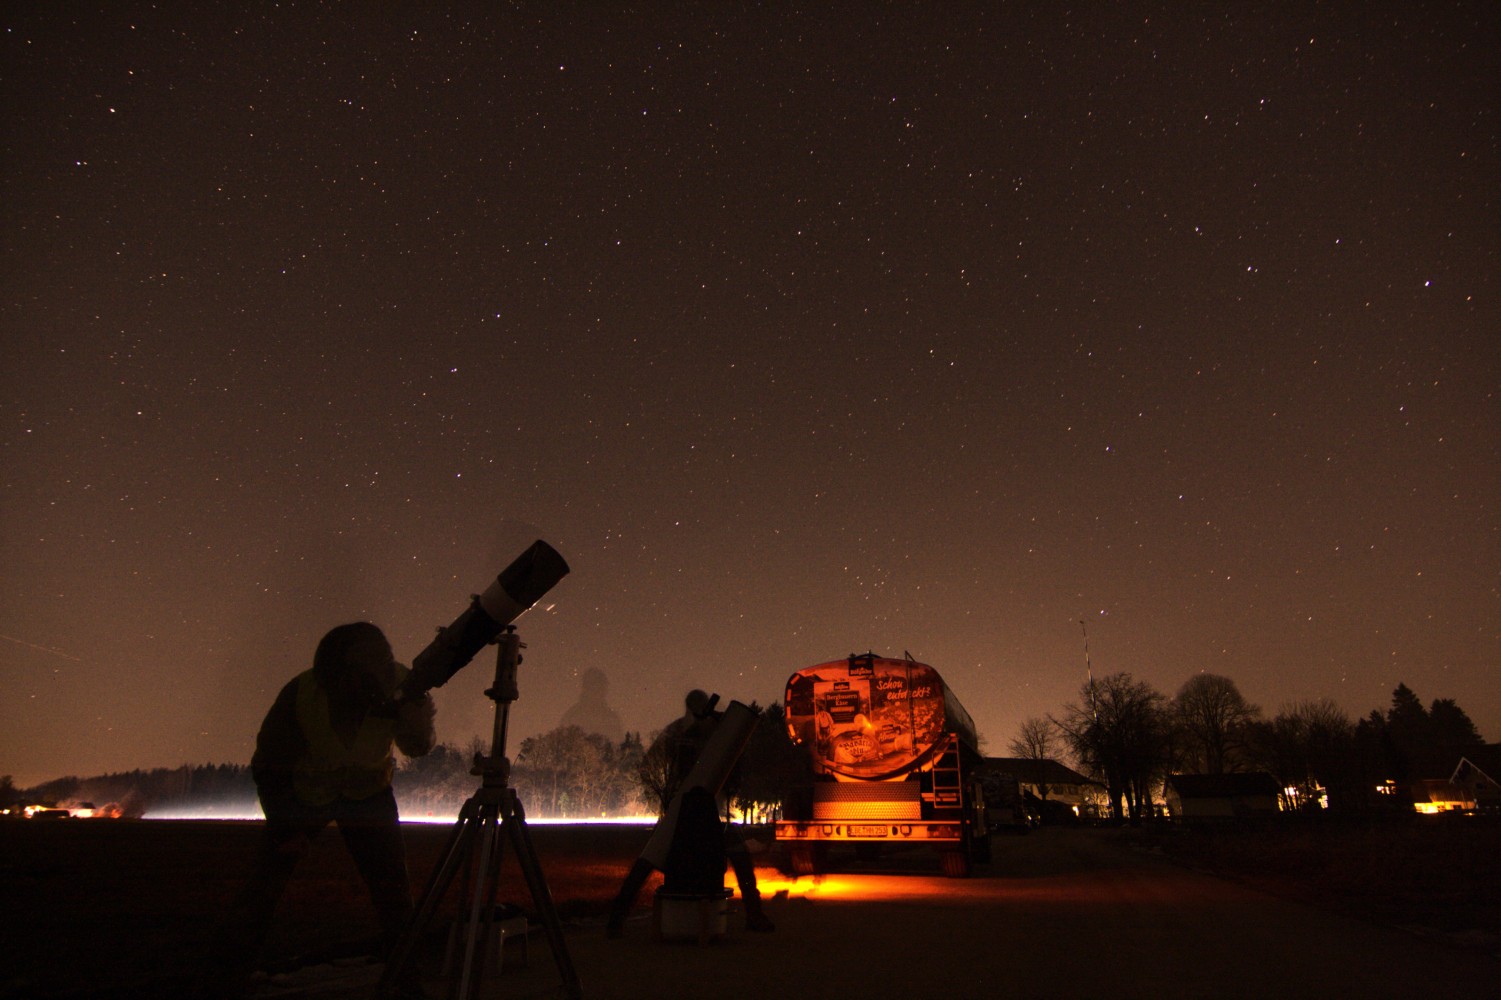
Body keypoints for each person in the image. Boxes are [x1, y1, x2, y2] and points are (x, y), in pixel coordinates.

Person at [211, 622, 436, 998]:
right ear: (342, 678)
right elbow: (269, 767)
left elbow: (417, 747)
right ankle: (225, 977)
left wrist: (418, 724)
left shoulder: (401, 687)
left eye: (384, 668)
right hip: (305, 799)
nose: (380, 682)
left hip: (368, 795)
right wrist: (287, 826)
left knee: (393, 892)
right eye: (370, 675)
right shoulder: (299, 698)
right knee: (262, 892)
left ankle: (407, 980)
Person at [605, 689, 774, 936]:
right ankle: (754, 914)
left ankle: (616, 919)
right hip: (688, 808)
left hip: (704, 809)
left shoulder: (691, 732)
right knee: (739, 860)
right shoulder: (689, 733)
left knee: (646, 863)